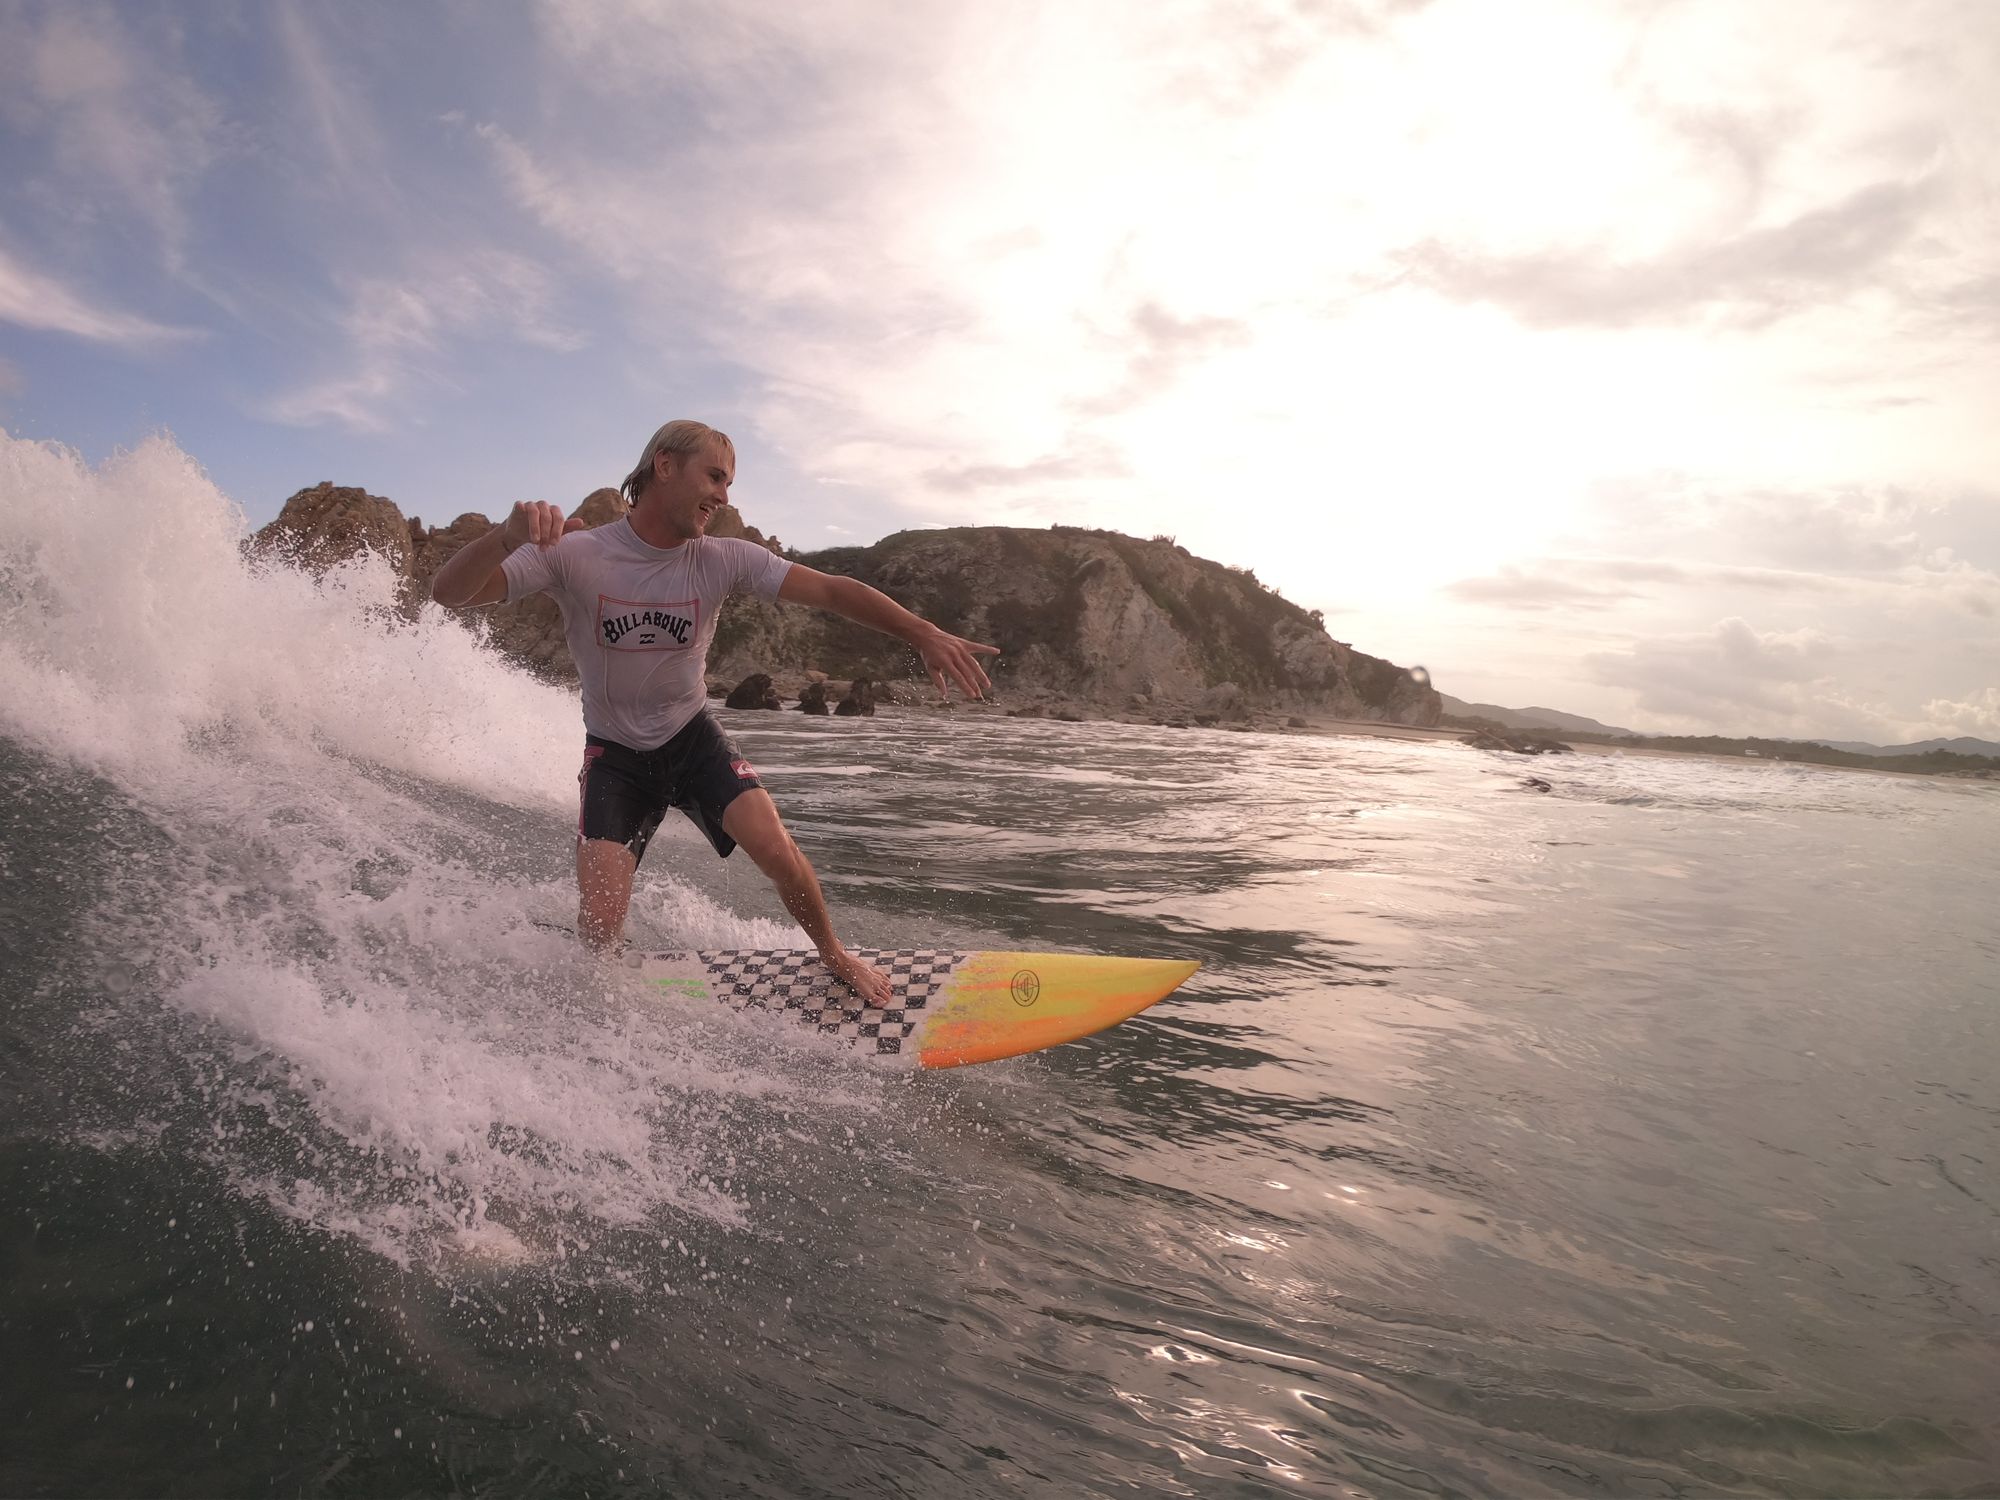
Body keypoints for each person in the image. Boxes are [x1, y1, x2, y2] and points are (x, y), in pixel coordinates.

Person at [430, 419, 997, 1006]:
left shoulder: (723, 559)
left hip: (692, 738)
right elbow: (448, 594)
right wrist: (504, 537)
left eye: (729, 483)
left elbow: (831, 590)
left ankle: (834, 953)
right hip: (615, 758)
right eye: (716, 476)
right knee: (598, 933)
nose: (724, 496)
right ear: (666, 465)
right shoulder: (573, 555)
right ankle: (609, 1001)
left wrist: (921, 631)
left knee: (777, 851)